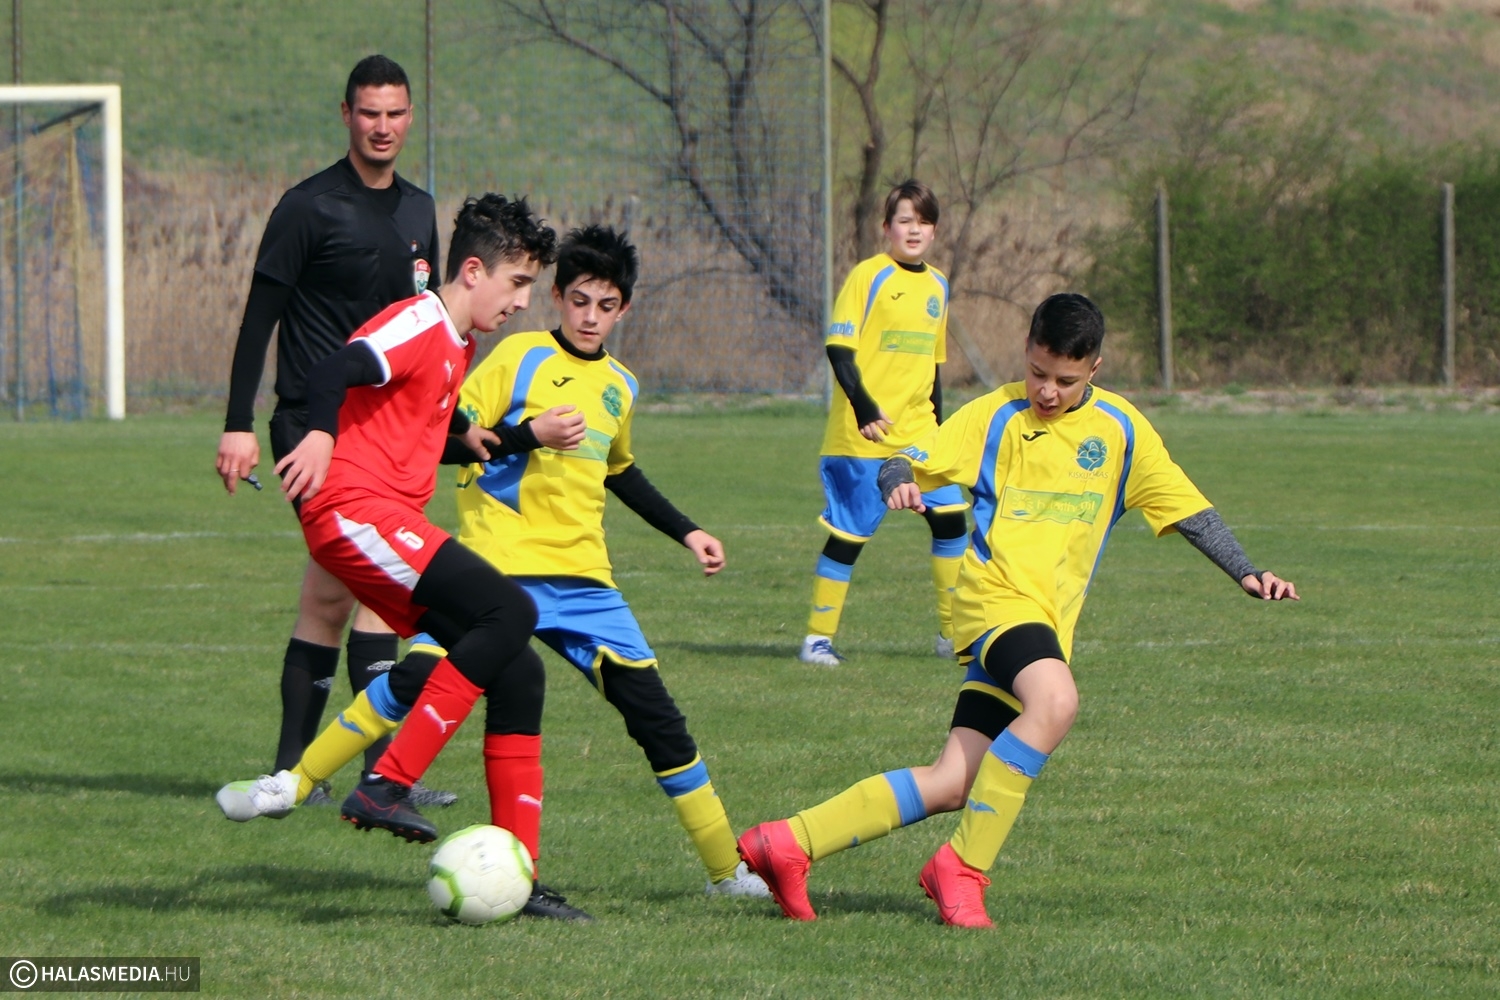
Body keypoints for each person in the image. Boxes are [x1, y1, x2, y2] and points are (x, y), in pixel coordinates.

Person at [220, 226, 768, 906]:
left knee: (658, 720)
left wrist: (687, 531)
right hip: (498, 564)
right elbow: (450, 436)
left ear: (624, 309)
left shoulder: (621, 385)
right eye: (578, 300)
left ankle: (725, 873)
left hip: (586, 583)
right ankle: (298, 784)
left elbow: (619, 470)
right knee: (413, 680)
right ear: (559, 298)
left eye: (606, 306)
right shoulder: (515, 355)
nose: (590, 316)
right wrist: (524, 435)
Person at [739, 293, 1299, 927]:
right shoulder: (995, 415)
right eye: (1038, 373)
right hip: (994, 602)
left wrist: (1247, 571)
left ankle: (787, 843)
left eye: (1065, 380)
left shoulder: (1122, 431)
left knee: (954, 781)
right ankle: (961, 869)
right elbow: (906, 458)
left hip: (1044, 623)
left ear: (1094, 368)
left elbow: (1189, 508)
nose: (1047, 391)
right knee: (1055, 702)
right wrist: (898, 480)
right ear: (1027, 352)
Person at [217, 196, 588, 921]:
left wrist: (485, 437)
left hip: (382, 517)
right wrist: (319, 434)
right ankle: (386, 782)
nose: (522, 302)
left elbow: (417, 433)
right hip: (354, 511)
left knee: (519, 669)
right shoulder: (419, 320)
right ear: (473, 270)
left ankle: (521, 875)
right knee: (509, 610)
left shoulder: (455, 342)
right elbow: (333, 370)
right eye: (516, 283)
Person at [214, 55, 453, 806]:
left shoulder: (420, 211)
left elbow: (428, 329)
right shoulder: (308, 207)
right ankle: (369, 776)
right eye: (369, 113)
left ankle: (317, 774)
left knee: (342, 597)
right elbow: (258, 321)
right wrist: (238, 425)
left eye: (395, 113)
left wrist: (450, 426)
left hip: (387, 431)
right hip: (308, 427)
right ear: (346, 115)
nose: (382, 127)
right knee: (368, 587)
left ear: (410, 117)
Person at [800, 180, 969, 668]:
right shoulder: (868, 276)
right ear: (886, 228)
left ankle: (952, 635)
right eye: (904, 220)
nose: (914, 230)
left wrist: (940, 431)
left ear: (934, 230)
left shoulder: (938, 286)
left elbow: (933, 366)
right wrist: (864, 407)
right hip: (864, 436)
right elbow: (839, 349)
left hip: (919, 435)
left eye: (924, 221)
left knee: (951, 520)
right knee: (849, 537)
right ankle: (817, 640)